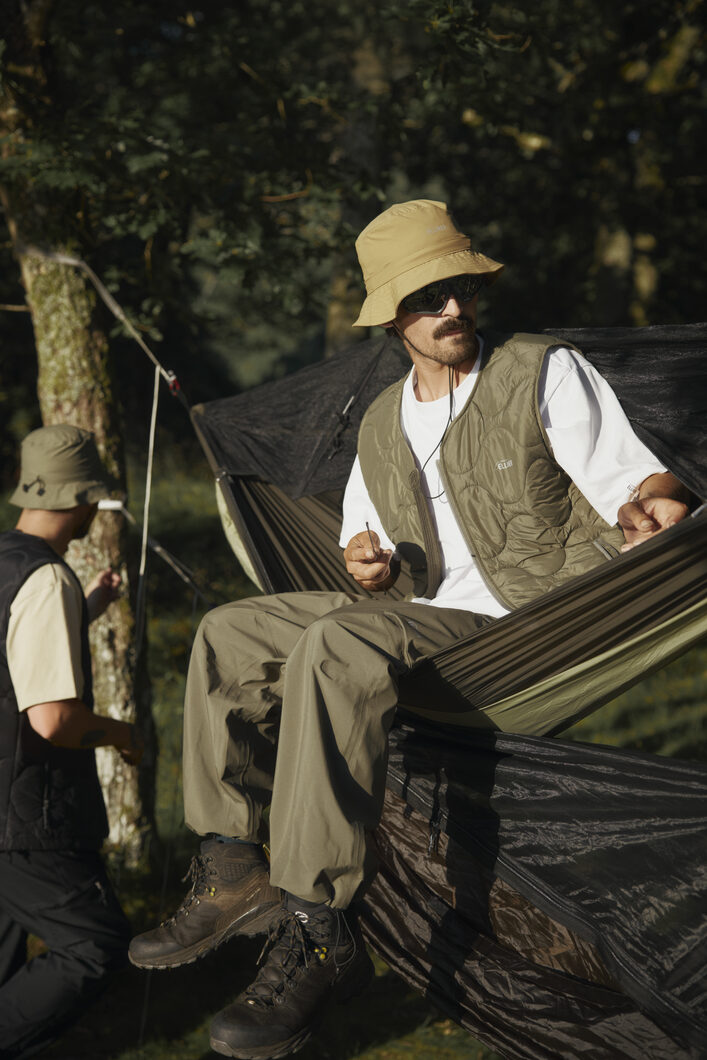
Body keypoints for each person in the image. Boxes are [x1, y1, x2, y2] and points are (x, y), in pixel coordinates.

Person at [130, 199, 690, 1060]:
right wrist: (367, 567)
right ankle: (232, 862)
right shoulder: (384, 419)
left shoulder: (542, 371)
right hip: (413, 615)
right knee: (230, 634)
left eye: (461, 289)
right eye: (430, 298)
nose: (454, 309)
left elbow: (639, 478)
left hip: (522, 628)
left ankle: (319, 928)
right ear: (395, 317)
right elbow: (366, 549)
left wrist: (656, 506)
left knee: (334, 644)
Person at [0, 424, 143, 1059]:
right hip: (27, 812)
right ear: (82, 499)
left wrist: (88, 605)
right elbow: (53, 719)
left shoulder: (8, 561)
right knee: (94, 945)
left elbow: (14, 651)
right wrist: (122, 734)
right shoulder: (46, 581)